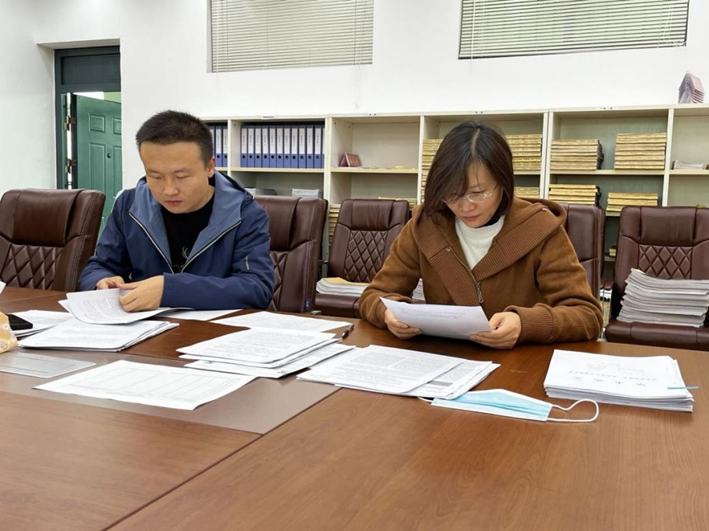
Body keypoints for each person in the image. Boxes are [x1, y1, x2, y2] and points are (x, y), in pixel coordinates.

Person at [359, 121, 603, 349]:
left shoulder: (540, 229)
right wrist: (388, 313)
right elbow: (373, 295)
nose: (465, 206)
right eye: (452, 194)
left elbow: (587, 316)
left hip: (519, 365)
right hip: (445, 358)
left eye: (478, 193)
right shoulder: (426, 225)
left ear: (503, 182)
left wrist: (524, 324)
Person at [79, 110, 274, 311]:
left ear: (210, 167)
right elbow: (99, 266)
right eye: (155, 176)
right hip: (144, 325)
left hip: (213, 327)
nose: (169, 190)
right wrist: (101, 280)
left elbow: (257, 288)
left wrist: (170, 290)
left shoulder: (244, 213)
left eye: (181, 177)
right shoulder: (129, 205)